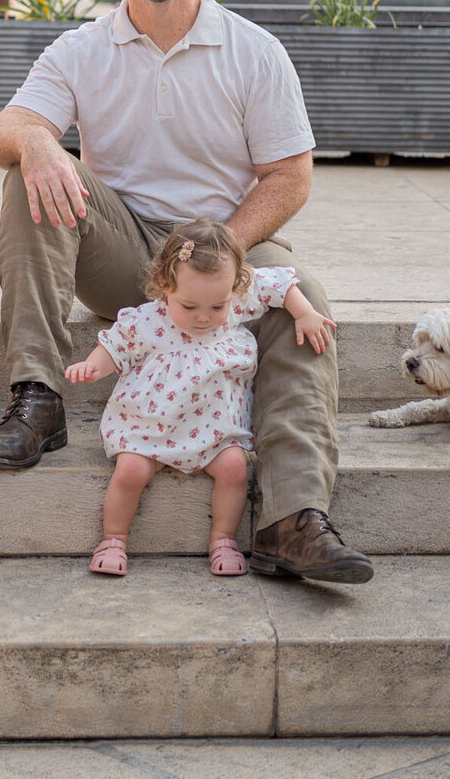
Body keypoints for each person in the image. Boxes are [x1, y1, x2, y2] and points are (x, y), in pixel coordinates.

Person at [0, 0, 374, 586]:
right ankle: (37, 397)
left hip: (228, 242)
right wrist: (36, 141)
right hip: (125, 252)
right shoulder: (82, 49)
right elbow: (5, 127)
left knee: (303, 289)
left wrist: (223, 251)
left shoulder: (254, 50)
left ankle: (292, 515)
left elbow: (290, 175)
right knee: (29, 175)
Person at [66, 219, 335, 578]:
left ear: (235, 287)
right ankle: (113, 538)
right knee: (130, 470)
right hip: (152, 425)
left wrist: (304, 312)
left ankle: (222, 539)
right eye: (189, 307)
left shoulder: (235, 301)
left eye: (216, 307)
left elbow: (280, 285)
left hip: (214, 426)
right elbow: (116, 345)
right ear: (164, 286)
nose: (204, 318)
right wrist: (92, 366)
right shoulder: (148, 320)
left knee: (234, 469)